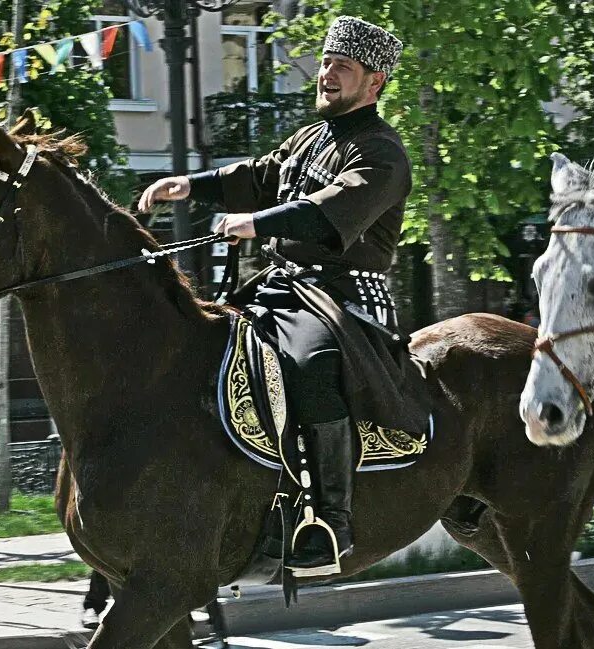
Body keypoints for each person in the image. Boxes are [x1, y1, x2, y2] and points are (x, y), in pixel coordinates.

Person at [139, 16, 416, 577]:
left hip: (343, 298)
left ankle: (329, 521)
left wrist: (254, 224)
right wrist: (193, 185)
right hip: (280, 288)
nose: (328, 75)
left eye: (344, 67)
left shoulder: (383, 152)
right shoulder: (313, 134)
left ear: (375, 82)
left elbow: (329, 211)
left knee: (309, 364)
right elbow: (261, 173)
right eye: (326, 63)